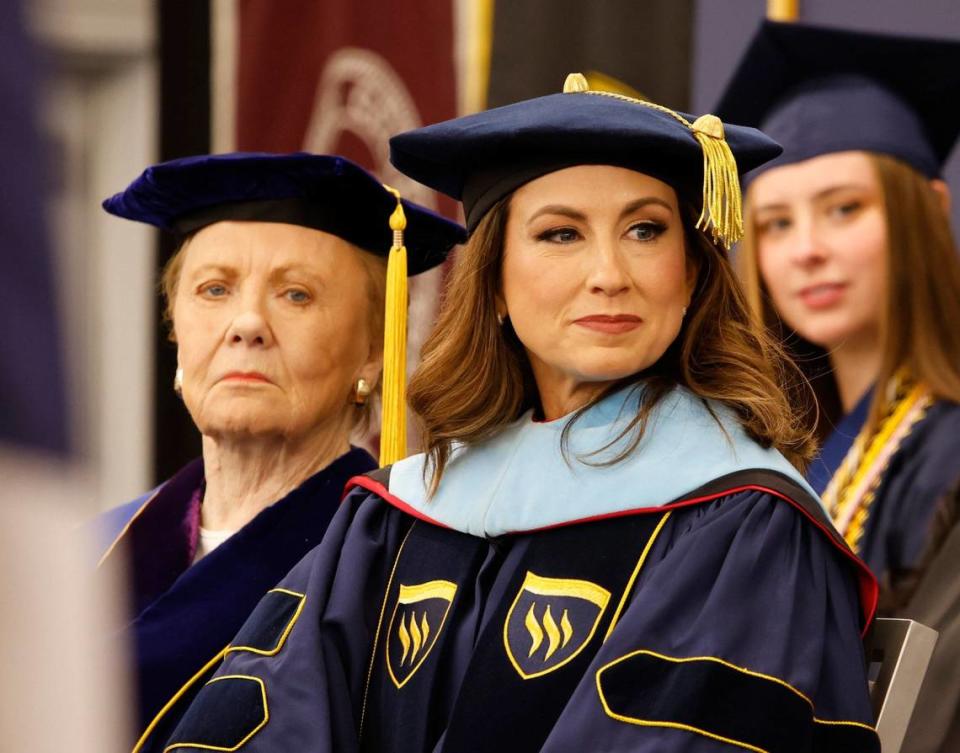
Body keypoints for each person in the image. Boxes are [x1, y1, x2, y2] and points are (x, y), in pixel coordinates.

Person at [153, 77, 879, 753]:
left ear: (690, 275)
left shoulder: (741, 521)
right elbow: (259, 717)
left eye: (646, 230)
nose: (609, 274)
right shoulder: (402, 513)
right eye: (561, 233)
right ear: (494, 284)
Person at [95, 152, 465, 741]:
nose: (247, 323)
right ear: (176, 332)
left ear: (374, 350)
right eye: (214, 289)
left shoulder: (404, 577)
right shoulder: (90, 546)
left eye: (296, 295)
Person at [717, 20, 960, 753]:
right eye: (776, 223)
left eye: (844, 208)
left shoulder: (949, 455)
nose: (808, 249)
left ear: (930, 210)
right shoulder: (772, 454)